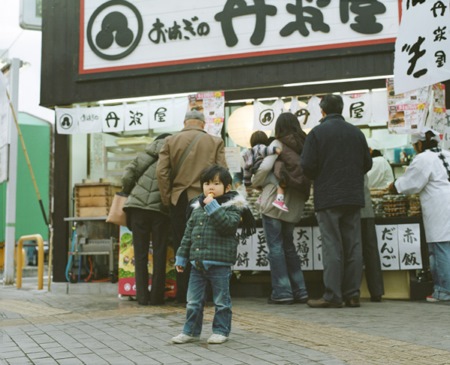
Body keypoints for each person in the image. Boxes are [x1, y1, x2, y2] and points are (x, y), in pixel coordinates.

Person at [301, 94, 372, 308]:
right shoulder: (356, 132)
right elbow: (367, 163)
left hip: (329, 197)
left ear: (322, 111)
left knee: (332, 245)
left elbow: (307, 165)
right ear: (342, 109)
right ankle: (352, 293)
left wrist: (321, 175)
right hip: (353, 196)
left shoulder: (316, 133)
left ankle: (333, 295)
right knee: (353, 246)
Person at [171, 165, 255, 344]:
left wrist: (213, 206)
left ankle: (221, 330)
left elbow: (227, 226)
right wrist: (181, 257)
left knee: (221, 301)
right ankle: (191, 331)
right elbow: (188, 235)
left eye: (216, 183)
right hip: (197, 263)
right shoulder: (197, 207)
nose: (210, 187)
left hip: (220, 263)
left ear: (227, 188)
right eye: (207, 183)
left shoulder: (233, 206)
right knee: (193, 301)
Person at [157, 110, 227, 304]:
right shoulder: (215, 142)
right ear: (203, 124)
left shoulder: (170, 141)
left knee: (183, 245)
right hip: (206, 199)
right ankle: (208, 295)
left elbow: (161, 172)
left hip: (179, 200)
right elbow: (223, 173)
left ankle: (184, 295)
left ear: (185, 122)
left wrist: (167, 198)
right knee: (207, 244)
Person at [252, 112, 310, 304]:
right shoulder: (306, 145)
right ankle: (300, 290)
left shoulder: (277, 144)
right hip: (295, 203)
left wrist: (254, 182)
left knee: (275, 247)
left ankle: (283, 291)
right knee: (289, 246)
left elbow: (264, 167)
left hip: (275, 202)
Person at [388, 128, 450, 302]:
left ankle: (443, 290)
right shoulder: (446, 153)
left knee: (440, 248)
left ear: (420, 144)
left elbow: (411, 183)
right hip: (445, 203)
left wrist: (394, 186)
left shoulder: (424, 158)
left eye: (414, 145)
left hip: (439, 207)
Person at [121, 133, 171, 306]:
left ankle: (142, 297)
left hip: (137, 209)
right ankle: (157, 297)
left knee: (140, 254)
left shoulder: (142, 155)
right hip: (160, 211)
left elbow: (127, 175)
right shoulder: (171, 159)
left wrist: (128, 190)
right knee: (159, 253)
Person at [241, 130, 287, 211]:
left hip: (256, 175)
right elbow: (266, 150)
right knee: (280, 183)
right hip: (265, 174)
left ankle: (260, 199)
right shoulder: (260, 147)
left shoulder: (248, 153)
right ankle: (279, 200)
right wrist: (276, 150)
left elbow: (246, 170)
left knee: (265, 186)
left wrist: (247, 184)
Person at [361, 175, 384, 302]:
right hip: (366, 206)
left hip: (352, 209)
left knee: (354, 251)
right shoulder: (361, 156)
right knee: (371, 250)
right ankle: (377, 292)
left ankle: (352, 292)